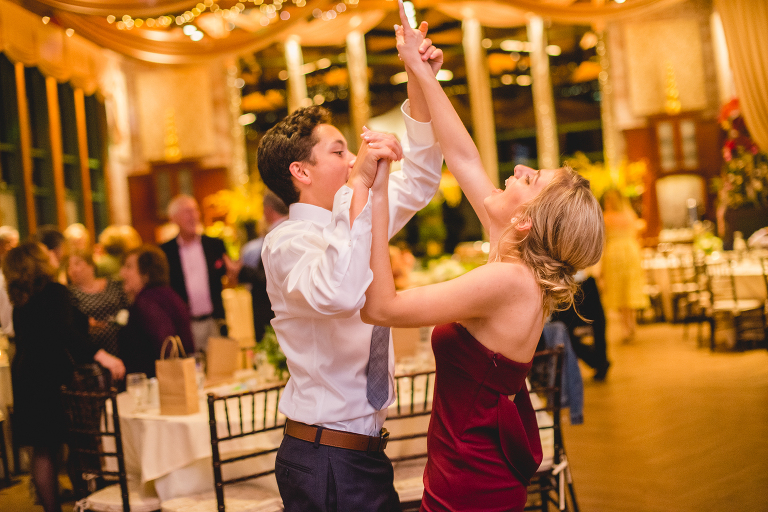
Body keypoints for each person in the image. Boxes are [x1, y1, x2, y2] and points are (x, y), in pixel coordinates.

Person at [359, 8, 605, 510]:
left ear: (525, 221)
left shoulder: (509, 281)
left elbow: (382, 307)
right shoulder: (516, 257)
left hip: (470, 484)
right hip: (466, 469)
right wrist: (420, 71)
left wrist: (375, 193)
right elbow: (463, 156)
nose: (521, 169)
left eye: (532, 180)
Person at [258, 21, 444, 511]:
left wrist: (418, 77)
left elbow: (421, 179)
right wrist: (360, 187)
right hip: (324, 454)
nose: (352, 158)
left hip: (357, 452)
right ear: (301, 171)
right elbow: (339, 292)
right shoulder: (286, 244)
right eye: (339, 151)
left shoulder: (358, 219)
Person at [4, 242, 125, 512]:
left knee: (43, 448)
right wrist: (102, 356)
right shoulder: (54, 291)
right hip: (52, 375)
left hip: (26, 375)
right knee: (76, 442)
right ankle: (85, 503)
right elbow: (66, 333)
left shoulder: (21, 299)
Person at [161, 195, 238, 352]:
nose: (193, 216)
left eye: (195, 210)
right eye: (187, 212)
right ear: (174, 218)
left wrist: (234, 273)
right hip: (185, 325)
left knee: (221, 364)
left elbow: (230, 279)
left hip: (214, 321)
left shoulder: (214, 245)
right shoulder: (166, 252)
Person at [118, 245, 194, 378]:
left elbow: (166, 344)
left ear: (146, 273)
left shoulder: (147, 301)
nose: (122, 273)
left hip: (156, 381)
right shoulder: (169, 294)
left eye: (129, 267)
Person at [238, 191, 289, 342]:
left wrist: (242, 271)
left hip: (274, 310)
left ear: (267, 210)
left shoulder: (277, 234)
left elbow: (270, 275)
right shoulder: (290, 228)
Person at [600, 188, 648, 343]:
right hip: (631, 252)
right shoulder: (630, 215)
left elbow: (603, 241)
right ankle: (631, 324)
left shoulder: (606, 218)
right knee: (629, 290)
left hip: (614, 255)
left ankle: (626, 328)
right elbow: (637, 236)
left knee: (620, 292)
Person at [67, 249, 130, 356]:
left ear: (91, 265)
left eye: (77, 264)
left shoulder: (112, 284)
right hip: (93, 352)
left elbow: (127, 307)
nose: (72, 269)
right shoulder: (70, 294)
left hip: (123, 345)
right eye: (69, 266)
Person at [551, 271, 610, 381]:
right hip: (573, 282)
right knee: (564, 331)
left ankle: (598, 361)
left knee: (562, 330)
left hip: (573, 283)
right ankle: (598, 361)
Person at [0, 226, 19, 338]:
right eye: (8, 243)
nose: (12, 247)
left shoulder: (19, 270)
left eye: (15, 243)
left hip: (19, 332)